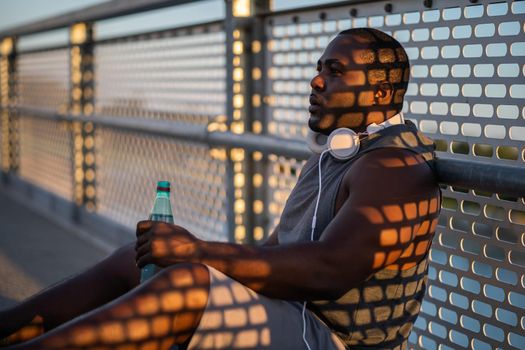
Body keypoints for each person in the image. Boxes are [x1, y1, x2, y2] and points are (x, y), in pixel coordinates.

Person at [0, 28, 440, 349]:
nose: (316, 81)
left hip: (332, 341)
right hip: (296, 318)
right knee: (138, 264)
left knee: (189, 281)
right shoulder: (335, 155)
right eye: (319, 68)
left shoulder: (392, 166)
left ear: (381, 92)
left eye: (336, 71)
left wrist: (198, 254)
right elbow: (275, 253)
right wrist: (185, 257)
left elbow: (331, 269)